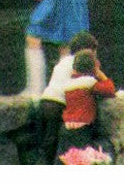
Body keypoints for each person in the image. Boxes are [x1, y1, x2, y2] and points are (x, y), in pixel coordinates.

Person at [24, 30, 99, 165]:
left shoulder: (63, 61)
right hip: (57, 105)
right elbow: (88, 85)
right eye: (93, 51)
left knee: (45, 144)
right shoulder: (79, 64)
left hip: (45, 101)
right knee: (53, 145)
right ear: (87, 50)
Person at [57, 48, 117, 158]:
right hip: (82, 130)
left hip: (66, 128)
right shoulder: (88, 83)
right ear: (93, 68)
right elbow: (110, 90)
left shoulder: (69, 84)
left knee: (67, 159)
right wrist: (100, 75)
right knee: (83, 158)